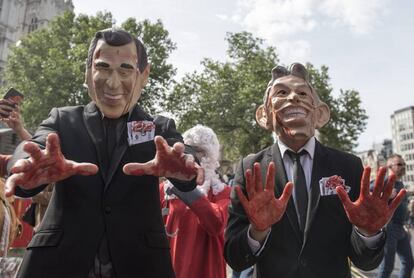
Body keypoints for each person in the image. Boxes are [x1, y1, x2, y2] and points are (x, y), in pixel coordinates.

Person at [4, 28, 202, 278]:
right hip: (59, 265)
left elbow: (182, 153)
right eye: (104, 67)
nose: (113, 82)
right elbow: (35, 144)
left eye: (125, 69)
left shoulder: (159, 129)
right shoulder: (63, 120)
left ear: (144, 75)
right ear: (88, 72)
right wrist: (26, 163)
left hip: (140, 265)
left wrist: (185, 165)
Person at [224, 63, 406, 278]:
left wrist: (368, 232)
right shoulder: (250, 169)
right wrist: (258, 231)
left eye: (302, 92)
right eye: (282, 92)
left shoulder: (348, 166)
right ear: (265, 115)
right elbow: (234, 257)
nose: (293, 98)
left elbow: (365, 262)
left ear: (320, 114)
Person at [160, 124, 231, 278]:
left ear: (212, 155)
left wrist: (186, 188)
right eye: (190, 149)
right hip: (171, 267)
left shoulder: (223, 192)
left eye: (201, 150)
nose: (196, 156)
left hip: (207, 269)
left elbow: (215, 224)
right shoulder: (164, 190)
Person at [377, 154, 413, 278]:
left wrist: (407, 224)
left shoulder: (400, 183)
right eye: (399, 164)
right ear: (389, 167)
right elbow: (368, 194)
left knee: (408, 262)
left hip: (401, 228)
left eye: (404, 164)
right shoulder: (384, 182)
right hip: (389, 227)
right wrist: (384, 194)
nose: (403, 167)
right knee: (387, 266)